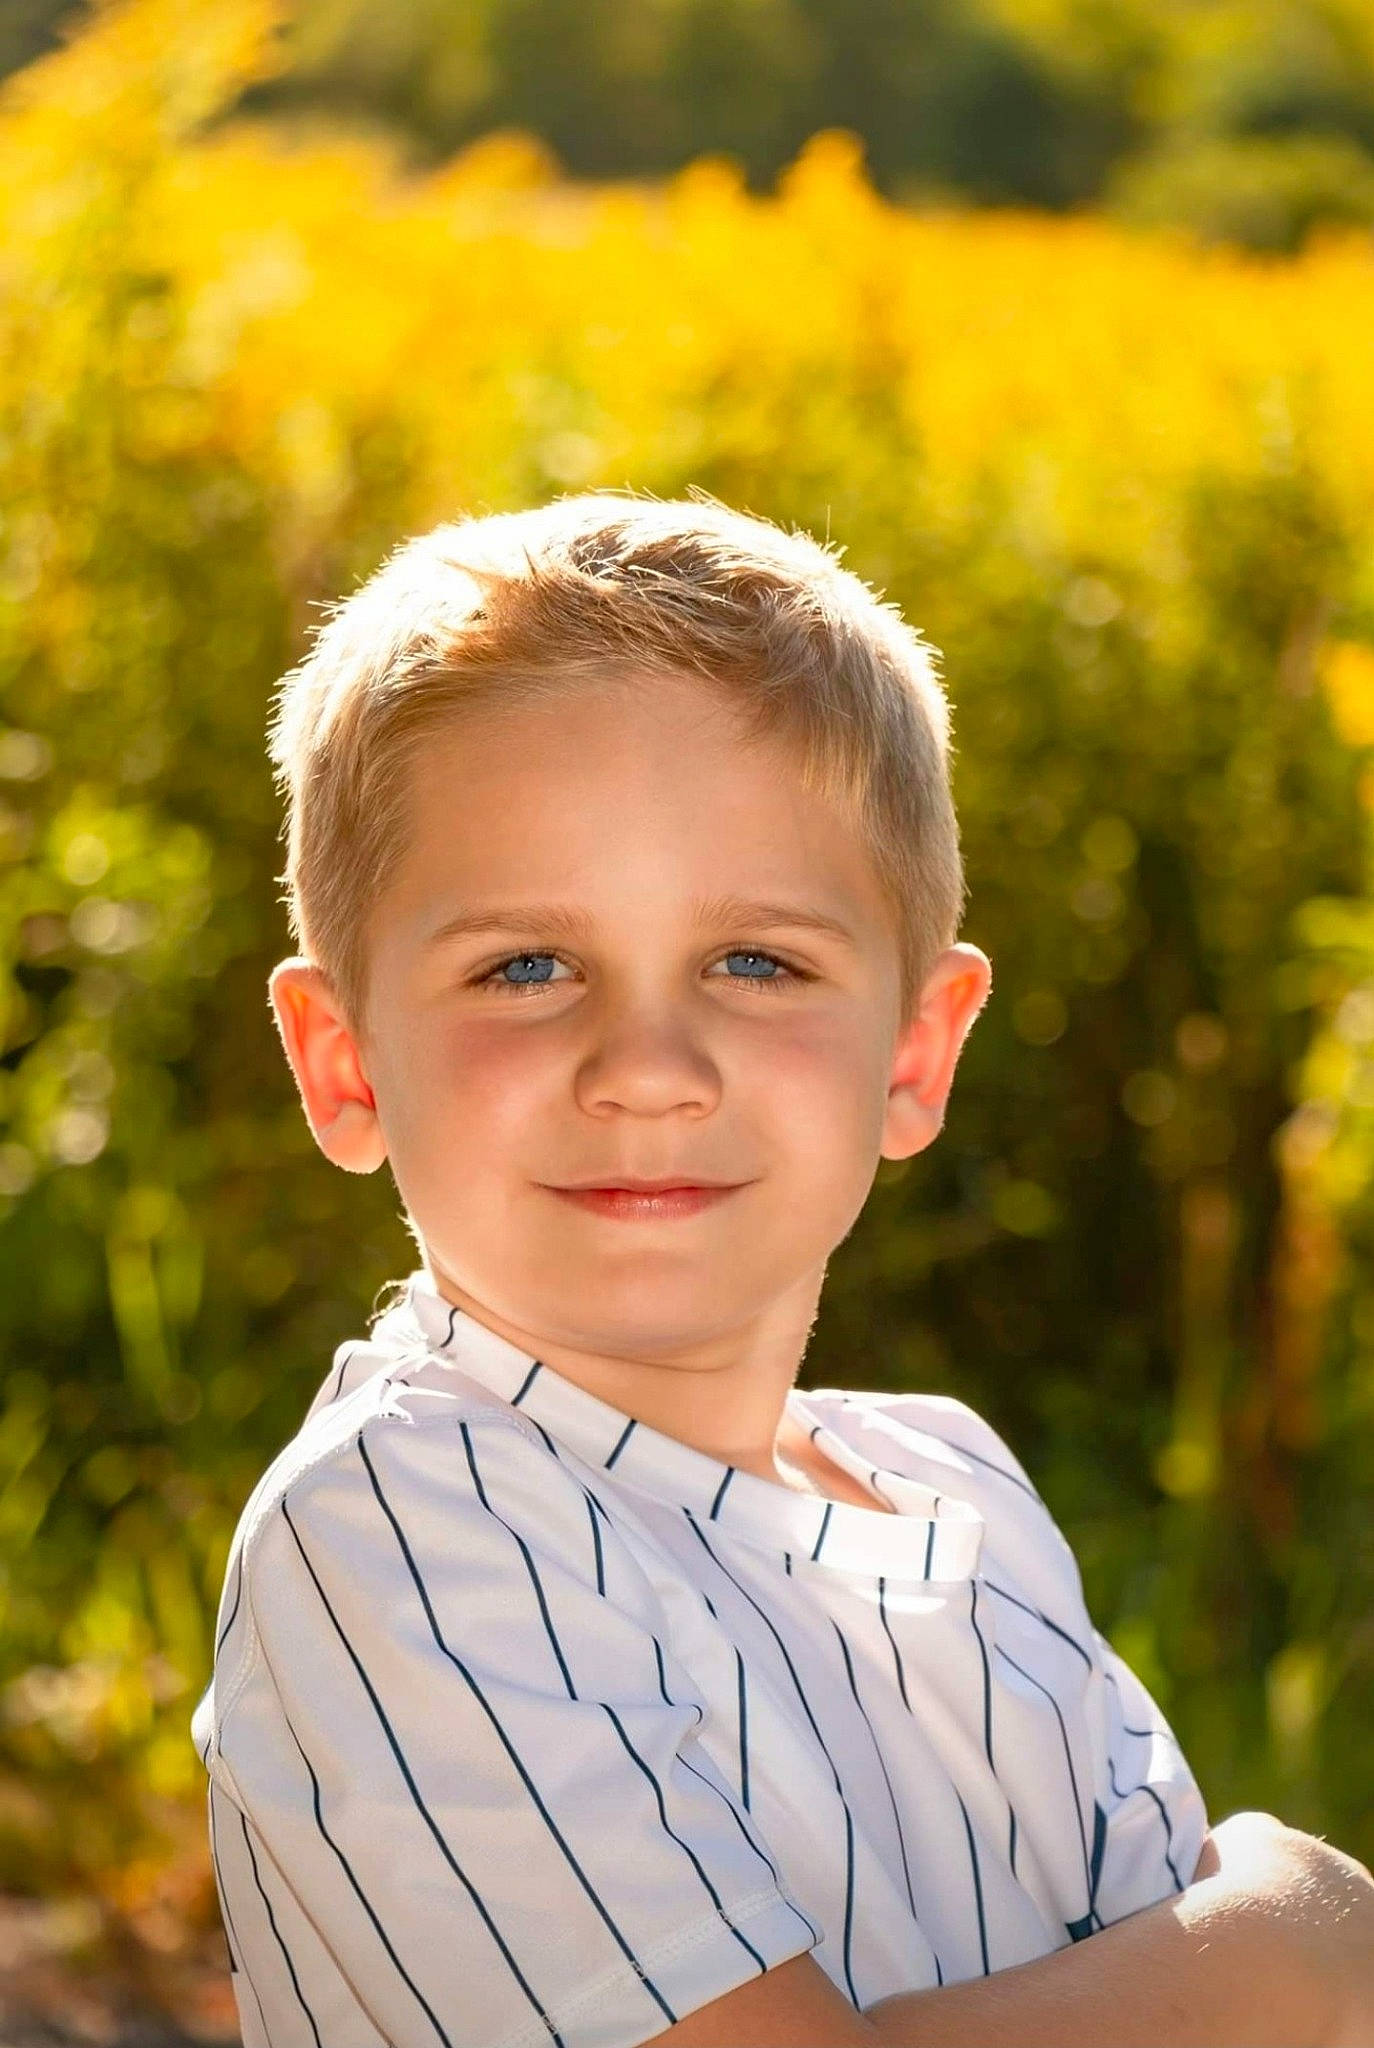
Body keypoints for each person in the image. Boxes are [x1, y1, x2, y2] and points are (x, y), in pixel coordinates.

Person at [190, 490, 1374, 2048]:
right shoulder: (406, 1530)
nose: (648, 1065)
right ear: (341, 1066)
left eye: (755, 962)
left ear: (914, 1052)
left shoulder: (960, 1494)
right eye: (524, 967)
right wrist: (1299, 1944)